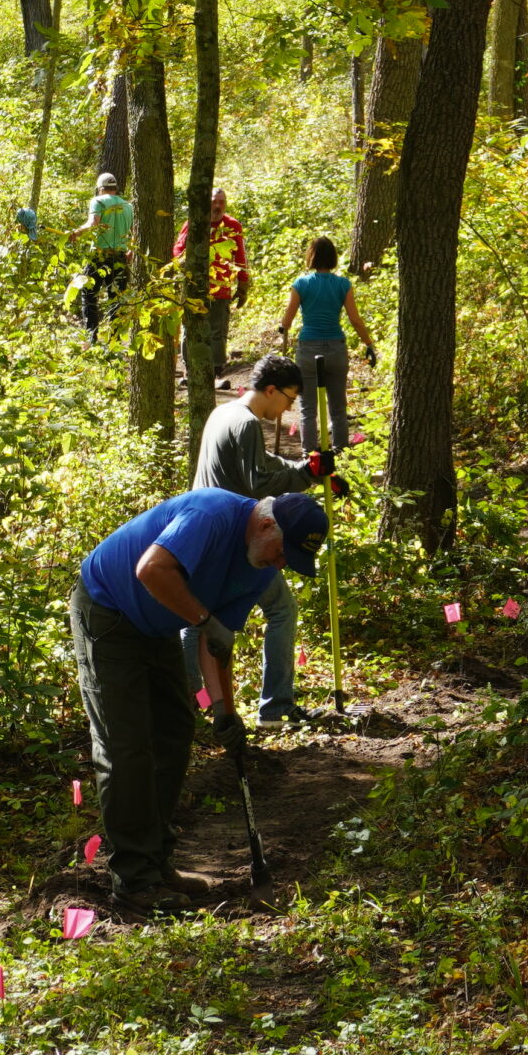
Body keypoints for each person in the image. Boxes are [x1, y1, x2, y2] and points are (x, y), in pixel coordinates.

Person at [69, 486, 330, 913]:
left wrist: (225, 710)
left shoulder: (259, 565)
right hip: (107, 609)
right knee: (127, 746)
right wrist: (204, 620)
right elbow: (152, 570)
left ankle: (157, 862)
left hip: (157, 625)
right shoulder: (210, 515)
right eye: (283, 553)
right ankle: (134, 881)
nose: (282, 565)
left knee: (174, 731)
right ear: (266, 525)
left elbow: (216, 641)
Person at [180, 355, 329, 724]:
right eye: (289, 398)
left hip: (206, 533)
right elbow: (257, 483)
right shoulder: (245, 423)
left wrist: (303, 470)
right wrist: (306, 478)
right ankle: (274, 708)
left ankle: (190, 708)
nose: (289, 407)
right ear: (271, 389)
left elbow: (261, 464)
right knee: (280, 610)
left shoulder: (224, 413)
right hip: (235, 539)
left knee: (195, 621)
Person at [274, 236, 375, 456]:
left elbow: (287, 321)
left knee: (307, 406)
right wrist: (369, 343)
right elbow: (355, 319)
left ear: (311, 256)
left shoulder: (301, 284)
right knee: (338, 406)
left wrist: (282, 327)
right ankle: (341, 451)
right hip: (336, 348)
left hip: (308, 348)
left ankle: (309, 453)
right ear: (333, 258)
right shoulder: (342, 284)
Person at [172, 186, 251, 370]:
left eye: (221, 202)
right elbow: (178, 249)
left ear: (225, 204)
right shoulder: (194, 222)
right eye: (214, 201)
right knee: (190, 329)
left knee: (217, 331)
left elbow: (240, 256)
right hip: (194, 286)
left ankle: (216, 370)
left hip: (221, 286)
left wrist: (243, 285)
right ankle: (190, 369)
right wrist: (182, 265)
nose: (217, 206)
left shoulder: (233, 225)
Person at [71, 172, 134, 342]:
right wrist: (131, 251)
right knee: (116, 299)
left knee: (89, 294)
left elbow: (93, 224)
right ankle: (115, 341)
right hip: (120, 257)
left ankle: (91, 338)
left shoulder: (98, 201)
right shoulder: (128, 206)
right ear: (116, 189)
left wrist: (76, 233)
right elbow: (135, 233)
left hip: (99, 256)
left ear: (100, 189)